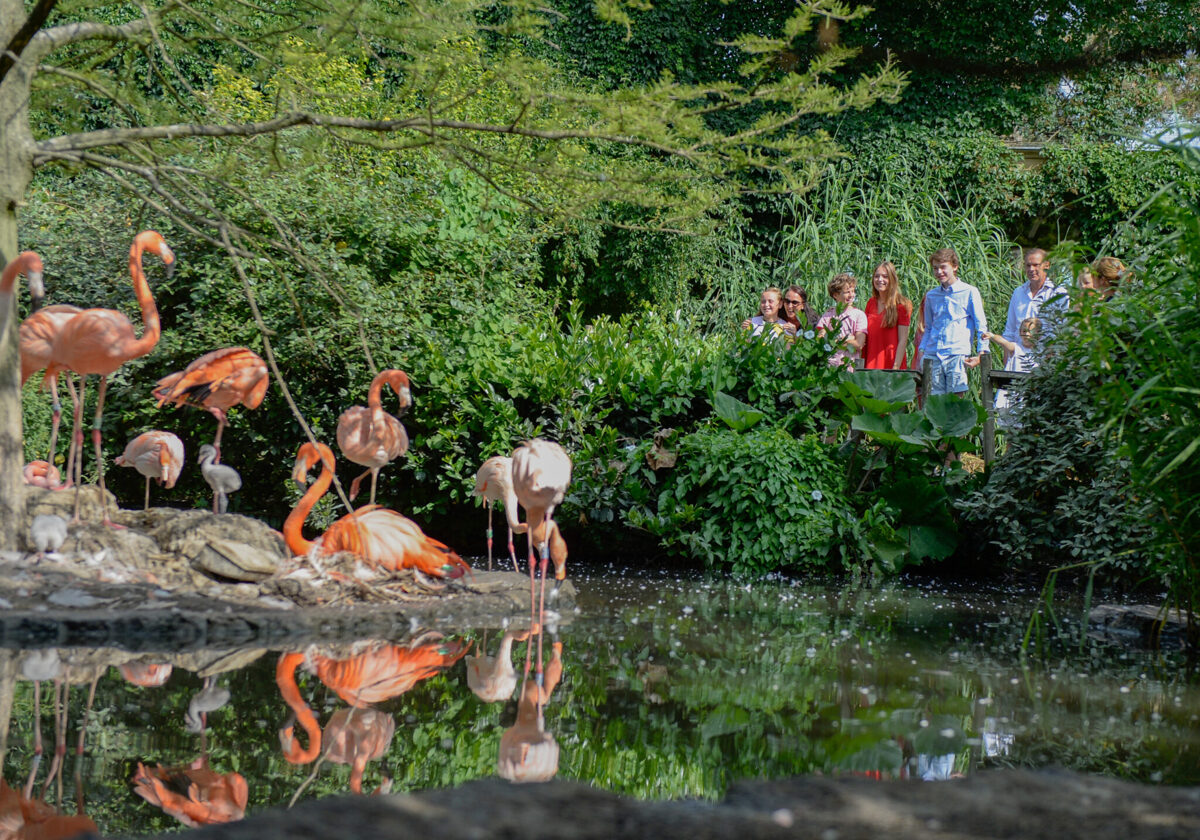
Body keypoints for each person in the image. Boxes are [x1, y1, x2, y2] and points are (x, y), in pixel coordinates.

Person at [916, 247, 989, 396]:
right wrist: (921, 352)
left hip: (956, 353)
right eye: (935, 268)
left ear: (954, 267)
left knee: (955, 403)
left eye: (943, 267)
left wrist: (981, 353)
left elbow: (981, 325)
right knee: (934, 404)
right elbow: (928, 327)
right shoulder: (931, 296)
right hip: (933, 354)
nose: (939, 272)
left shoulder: (969, 292)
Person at [1001, 248, 1065, 362]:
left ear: (1047, 265)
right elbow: (1010, 329)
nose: (1031, 269)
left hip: (1045, 360)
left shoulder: (1058, 293)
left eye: (1036, 265)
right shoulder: (1018, 293)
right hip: (1018, 359)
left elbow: (1061, 330)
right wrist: (1006, 358)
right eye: (1028, 265)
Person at [982, 317, 1042, 425]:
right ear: (1019, 332)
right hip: (1011, 396)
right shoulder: (1016, 348)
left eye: (1031, 331)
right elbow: (1004, 342)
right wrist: (992, 336)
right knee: (1009, 430)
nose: (1027, 335)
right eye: (1024, 331)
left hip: (1028, 396)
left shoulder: (1040, 354)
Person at [863, 261, 912, 369]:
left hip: (891, 363)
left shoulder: (902, 304)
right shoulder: (871, 303)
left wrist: (895, 367)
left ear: (892, 279)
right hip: (871, 363)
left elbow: (903, 340)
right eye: (876, 276)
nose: (880, 280)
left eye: (885, 276)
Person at [815, 273, 867, 370]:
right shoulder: (828, 315)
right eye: (847, 292)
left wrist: (833, 341)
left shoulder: (859, 315)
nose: (852, 295)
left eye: (853, 291)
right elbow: (820, 340)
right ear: (836, 295)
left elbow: (859, 344)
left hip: (850, 367)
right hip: (830, 366)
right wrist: (847, 340)